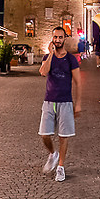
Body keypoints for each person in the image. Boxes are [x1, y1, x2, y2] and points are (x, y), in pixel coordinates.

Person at [35, 27, 82, 182]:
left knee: (64, 136)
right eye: (55, 37)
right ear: (52, 38)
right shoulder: (48, 56)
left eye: (60, 37)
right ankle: (53, 154)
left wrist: (78, 103)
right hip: (49, 101)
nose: (57, 40)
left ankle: (60, 167)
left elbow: (78, 82)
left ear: (64, 39)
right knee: (44, 134)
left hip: (65, 101)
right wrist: (49, 55)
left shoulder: (70, 59)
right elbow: (43, 72)